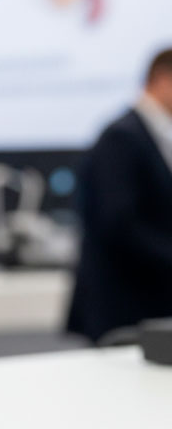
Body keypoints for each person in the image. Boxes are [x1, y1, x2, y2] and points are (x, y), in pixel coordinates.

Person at [67, 47, 172, 343]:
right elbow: (118, 223)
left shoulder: (153, 134)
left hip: (148, 302)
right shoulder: (123, 137)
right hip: (123, 306)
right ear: (163, 79)